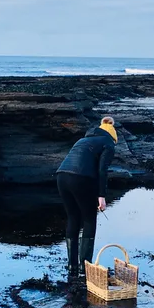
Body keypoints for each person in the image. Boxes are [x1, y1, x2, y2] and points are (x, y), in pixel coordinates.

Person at [56, 116, 117, 278]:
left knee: (73, 218)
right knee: (89, 219)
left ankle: (72, 267)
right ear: (112, 135)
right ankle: (85, 268)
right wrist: (102, 196)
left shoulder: (83, 140)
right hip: (81, 178)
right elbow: (102, 171)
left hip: (61, 176)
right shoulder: (108, 144)